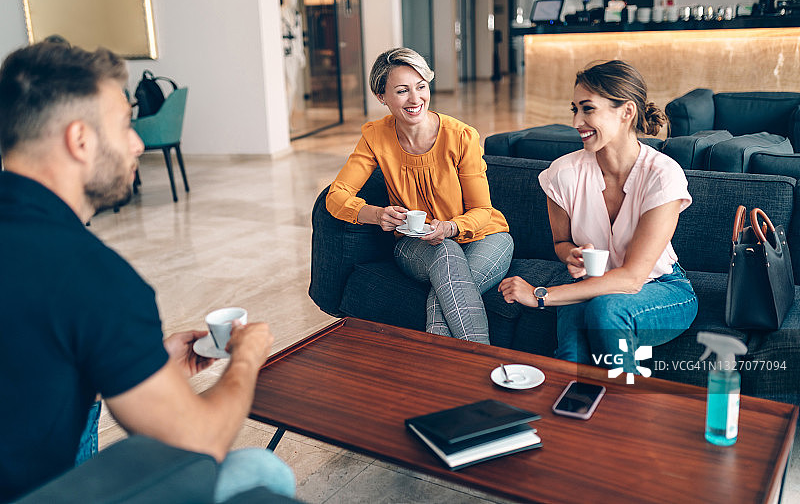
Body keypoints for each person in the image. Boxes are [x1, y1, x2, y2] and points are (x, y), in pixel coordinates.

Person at [0, 40, 295, 502]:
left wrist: (128, 359)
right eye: (124, 124)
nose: (138, 141)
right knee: (260, 469)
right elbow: (199, 442)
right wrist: (247, 358)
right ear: (80, 140)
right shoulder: (90, 275)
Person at [499, 60, 698, 374]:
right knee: (570, 359)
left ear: (626, 112)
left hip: (660, 286)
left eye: (588, 109)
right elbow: (561, 242)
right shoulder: (562, 173)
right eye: (574, 108)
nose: (577, 120)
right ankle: (568, 418)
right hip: (589, 281)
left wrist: (541, 295)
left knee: (607, 310)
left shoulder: (663, 176)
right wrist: (571, 255)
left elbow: (633, 279)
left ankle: (628, 414)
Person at [326, 47, 513, 344]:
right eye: (402, 91)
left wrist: (450, 227)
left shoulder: (461, 136)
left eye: (421, 87)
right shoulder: (375, 136)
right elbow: (336, 196)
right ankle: (485, 367)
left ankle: (442, 375)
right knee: (446, 253)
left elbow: (482, 210)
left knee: (448, 293)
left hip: (486, 237)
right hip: (417, 246)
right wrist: (376, 214)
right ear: (381, 97)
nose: (416, 99)